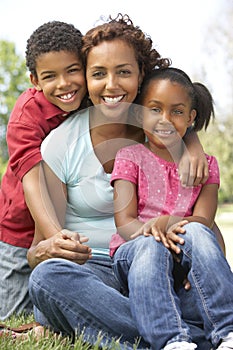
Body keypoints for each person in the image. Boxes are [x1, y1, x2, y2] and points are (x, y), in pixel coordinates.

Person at [25, 14, 226, 349]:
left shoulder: (165, 133)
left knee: (189, 273)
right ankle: (180, 335)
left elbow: (202, 224)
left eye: (124, 72)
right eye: (98, 73)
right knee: (47, 278)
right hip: (95, 271)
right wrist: (45, 250)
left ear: (141, 75)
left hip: (158, 266)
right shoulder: (61, 144)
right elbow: (36, 250)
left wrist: (192, 140)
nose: (111, 85)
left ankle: (150, 332)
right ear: (86, 79)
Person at [110, 67, 233, 349]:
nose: (164, 120)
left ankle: (228, 332)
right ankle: (172, 341)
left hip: (183, 261)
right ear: (140, 113)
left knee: (200, 232)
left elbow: (204, 219)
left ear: (191, 118)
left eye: (177, 112)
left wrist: (168, 222)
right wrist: (156, 230)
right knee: (150, 247)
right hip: (136, 254)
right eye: (155, 109)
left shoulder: (207, 166)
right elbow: (125, 224)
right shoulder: (129, 156)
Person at [0, 20, 87, 320]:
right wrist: (54, 236)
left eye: (73, 70)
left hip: (75, 222)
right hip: (21, 231)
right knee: (16, 317)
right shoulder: (26, 116)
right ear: (35, 79)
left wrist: (191, 141)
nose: (64, 84)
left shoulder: (93, 95)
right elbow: (33, 181)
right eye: (50, 76)